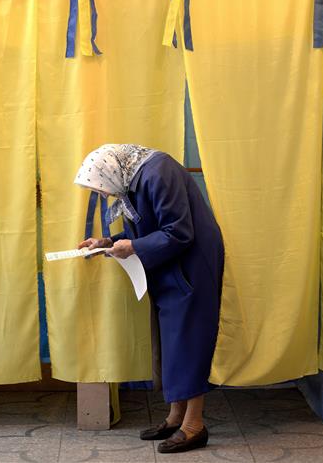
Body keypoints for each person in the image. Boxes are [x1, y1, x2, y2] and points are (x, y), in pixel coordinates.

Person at [74, 144, 224, 454]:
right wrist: (106, 242)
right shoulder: (134, 177)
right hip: (172, 264)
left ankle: (194, 425)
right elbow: (145, 229)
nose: (106, 195)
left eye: (103, 187)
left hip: (191, 265)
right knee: (171, 341)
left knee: (188, 341)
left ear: (111, 169)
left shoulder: (158, 172)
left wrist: (131, 247)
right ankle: (176, 417)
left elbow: (179, 232)